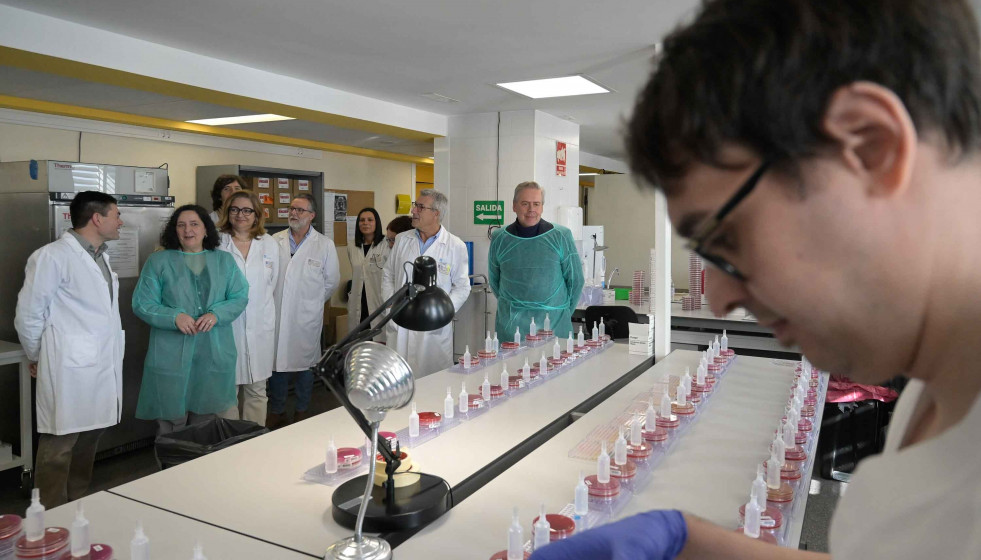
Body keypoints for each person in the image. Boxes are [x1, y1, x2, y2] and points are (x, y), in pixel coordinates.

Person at [531, 1, 981, 559]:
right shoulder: (935, 394)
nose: (718, 298)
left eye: (728, 239)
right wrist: (698, 544)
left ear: (871, 147)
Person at [14, 191, 125, 508]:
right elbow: (29, 316)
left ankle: (79, 500)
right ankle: (49, 511)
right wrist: (38, 356)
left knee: (91, 433)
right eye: (116, 214)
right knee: (61, 439)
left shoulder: (100, 256)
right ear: (97, 218)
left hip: (99, 361)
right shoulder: (52, 256)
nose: (121, 221)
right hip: (66, 364)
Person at [133, 205, 248, 435]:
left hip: (213, 353)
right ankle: (171, 469)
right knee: (170, 422)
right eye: (181, 225)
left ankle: (199, 468)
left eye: (194, 224)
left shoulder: (224, 261)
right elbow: (142, 303)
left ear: (206, 229)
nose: (188, 230)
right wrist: (174, 316)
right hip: (170, 354)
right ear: (174, 231)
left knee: (205, 422)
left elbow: (239, 297)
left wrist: (216, 314)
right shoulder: (158, 262)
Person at [382, 189, 470, 377]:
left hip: (433, 330)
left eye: (420, 207)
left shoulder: (455, 246)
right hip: (400, 322)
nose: (413, 210)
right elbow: (388, 274)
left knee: (433, 385)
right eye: (415, 205)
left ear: (436, 213)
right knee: (398, 383)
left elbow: (462, 287)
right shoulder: (401, 239)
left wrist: (441, 312)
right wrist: (390, 307)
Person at [269, 193, 340, 428]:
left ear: (312, 216)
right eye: (291, 209)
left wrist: (310, 303)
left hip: (306, 317)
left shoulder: (324, 244)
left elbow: (331, 281)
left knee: (306, 366)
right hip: (278, 314)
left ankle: (302, 410)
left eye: (300, 210)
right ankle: (277, 411)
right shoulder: (274, 241)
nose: (293, 213)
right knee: (278, 365)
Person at [489, 181, 583, 339]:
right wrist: (514, 307)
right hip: (512, 327)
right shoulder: (500, 238)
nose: (531, 210)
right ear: (514, 206)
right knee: (512, 364)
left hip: (554, 325)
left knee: (555, 362)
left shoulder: (560, 236)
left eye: (536, 204)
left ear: (542, 207)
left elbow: (576, 280)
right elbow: (495, 280)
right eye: (525, 204)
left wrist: (560, 311)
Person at [217, 191, 280, 425]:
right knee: (226, 393)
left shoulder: (269, 244)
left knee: (257, 390)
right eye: (234, 209)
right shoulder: (216, 243)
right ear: (227, 213)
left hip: (259, 325)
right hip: (226, 326)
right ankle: (230, 444)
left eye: (247, 210)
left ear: (256, 215)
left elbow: (272, 284)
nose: (240, 215)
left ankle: (254, 440)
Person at [346, 207, 387, 338]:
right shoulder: (352, 245)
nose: (365, 223)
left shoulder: (386, 245)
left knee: (379, 339)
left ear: (377, 223)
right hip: (359, 300)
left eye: (370, 220)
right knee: (359, 341)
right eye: (362, 220)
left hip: (378, 300)